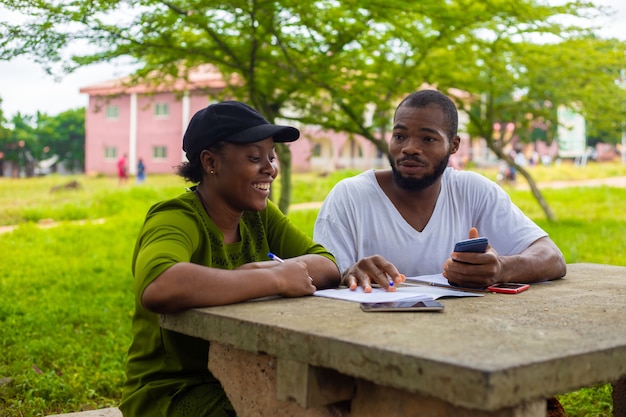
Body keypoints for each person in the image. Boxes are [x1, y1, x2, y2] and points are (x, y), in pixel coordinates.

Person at [120, 101, 341, 417]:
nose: (270, 169)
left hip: (249, 374)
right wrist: (272, 277)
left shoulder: (259, 217)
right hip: (175, 390)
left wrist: (262, 271)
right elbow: (159, 285)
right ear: (210, 162)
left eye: (271, 157)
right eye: (254, 157)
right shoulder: (176, 218)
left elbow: (327, 265)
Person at [313, 89, 566, 292]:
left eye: (428, 139)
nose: (410, 148)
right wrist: (348, 274)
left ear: (454, 145)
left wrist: (501, 268)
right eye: (400, 136)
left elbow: (552, 257)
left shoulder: (472, 191)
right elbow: (322, 277)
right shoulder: (349, 197)